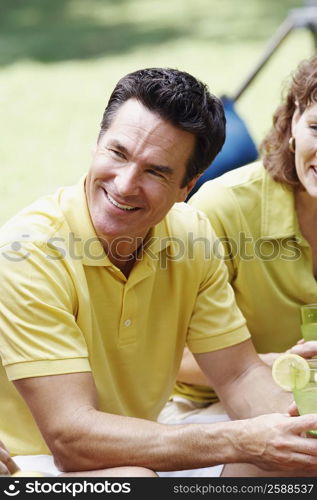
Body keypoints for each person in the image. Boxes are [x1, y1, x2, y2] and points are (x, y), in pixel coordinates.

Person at [1, 67, 317, 479]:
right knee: (134, 482)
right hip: (29, 463)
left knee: (285, 461)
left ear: (187, 186)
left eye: (156, 171)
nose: (125, 184)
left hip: (141, 449)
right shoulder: (27, 251)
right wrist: (239, 439)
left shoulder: (190, 235)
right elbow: (71, 439)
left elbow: (239, 375)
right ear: (97, 145)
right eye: (117, 153)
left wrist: (299, 429)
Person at [161, 54, 317, 448]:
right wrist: (291, 366)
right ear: (294, 120)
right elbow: (169, 358)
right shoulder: (222, 209)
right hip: (207, 413)